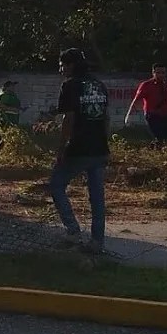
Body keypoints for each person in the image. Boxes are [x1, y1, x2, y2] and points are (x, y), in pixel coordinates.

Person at [50, 48, 109, 253]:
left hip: (79, 147)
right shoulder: (99, 84)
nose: (61, 69)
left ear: (70, 65)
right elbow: (105, 118)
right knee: (97, 197)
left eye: (62, 65)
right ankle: (97, 241)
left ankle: (73, 230)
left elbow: (69, 119)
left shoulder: (70, 86)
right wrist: (105, 142)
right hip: (100, 148)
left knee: (56, 185)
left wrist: (61, 147)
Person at [125, 62, 167, 149]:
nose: (161, 75)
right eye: (158, 72)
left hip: (166, 114)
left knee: (164, 137)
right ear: (153, 73)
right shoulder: (146, 85)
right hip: (152, 114)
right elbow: (136, 100)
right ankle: (157, 153)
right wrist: (129, 116)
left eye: (163, 73)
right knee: (158, 135)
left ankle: (153, 151)